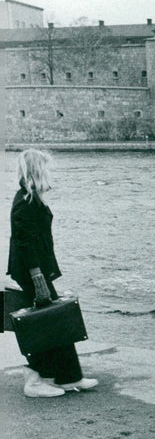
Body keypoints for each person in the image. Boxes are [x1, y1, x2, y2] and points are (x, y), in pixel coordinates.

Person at [7, 148, 98, 398]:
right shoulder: (26, 200)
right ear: (37, 171)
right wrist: (38, 277)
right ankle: (36, 378)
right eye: (46, 169)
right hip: (31, 271)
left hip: (32, 269)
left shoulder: (29, 197)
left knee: (52, 318)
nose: (50, 173)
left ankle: (67, 377)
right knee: (49, 321)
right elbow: (25, 242)